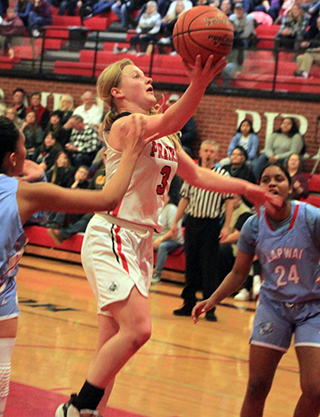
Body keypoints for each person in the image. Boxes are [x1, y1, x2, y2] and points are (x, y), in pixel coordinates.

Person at [55, 56, 281, 417]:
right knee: (139, 330)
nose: (147, 79)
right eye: (137, 75)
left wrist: (246, 187)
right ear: (117, 92)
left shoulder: (165, 137)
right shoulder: (127, 125)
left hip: (140, 242)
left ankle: (88, 413)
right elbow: (175, 117)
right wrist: (200, 83)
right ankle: (74, 408)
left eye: (145, 74)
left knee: (110, 347)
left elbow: (198, 176)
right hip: (114, 233)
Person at [0, 113, 157, 417]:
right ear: (13, 158)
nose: (27, 153)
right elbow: (108, 199)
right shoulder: (27, 193)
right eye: (23, 148)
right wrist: (130, 153)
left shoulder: (27, 191)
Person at [193, 161, 320, 417]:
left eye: (279, 178)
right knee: (256, 386)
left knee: (316, 390)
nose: (272, 183)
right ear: (256, 188)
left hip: (312, 308)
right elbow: (239, 273)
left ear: (289, 187)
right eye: (265, 179)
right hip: (274, 308)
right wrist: (212, 299)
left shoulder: (310, 217)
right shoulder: (253, 225)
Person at [172, 140, 234, 322]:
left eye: (211, 151)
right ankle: (188, 303)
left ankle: (210, 308)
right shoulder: (192, 172)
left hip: (211, 224)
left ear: (216, 154)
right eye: (205, 150)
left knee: (209, 267)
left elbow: (229, 201)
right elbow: (184, 198)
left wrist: (227, 226)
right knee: (190, 263)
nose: (208, 154)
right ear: (200, 152)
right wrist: (176, 221)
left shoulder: (223, 174)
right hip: (192, 222)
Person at [151, 183, 184, 284]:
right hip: (156, 239)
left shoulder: (171, 209)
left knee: (163, 246)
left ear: (168, 198)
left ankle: (157, 275)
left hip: (173, 240)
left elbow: (173, 232)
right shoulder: (155, 209)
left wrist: (160, 240)